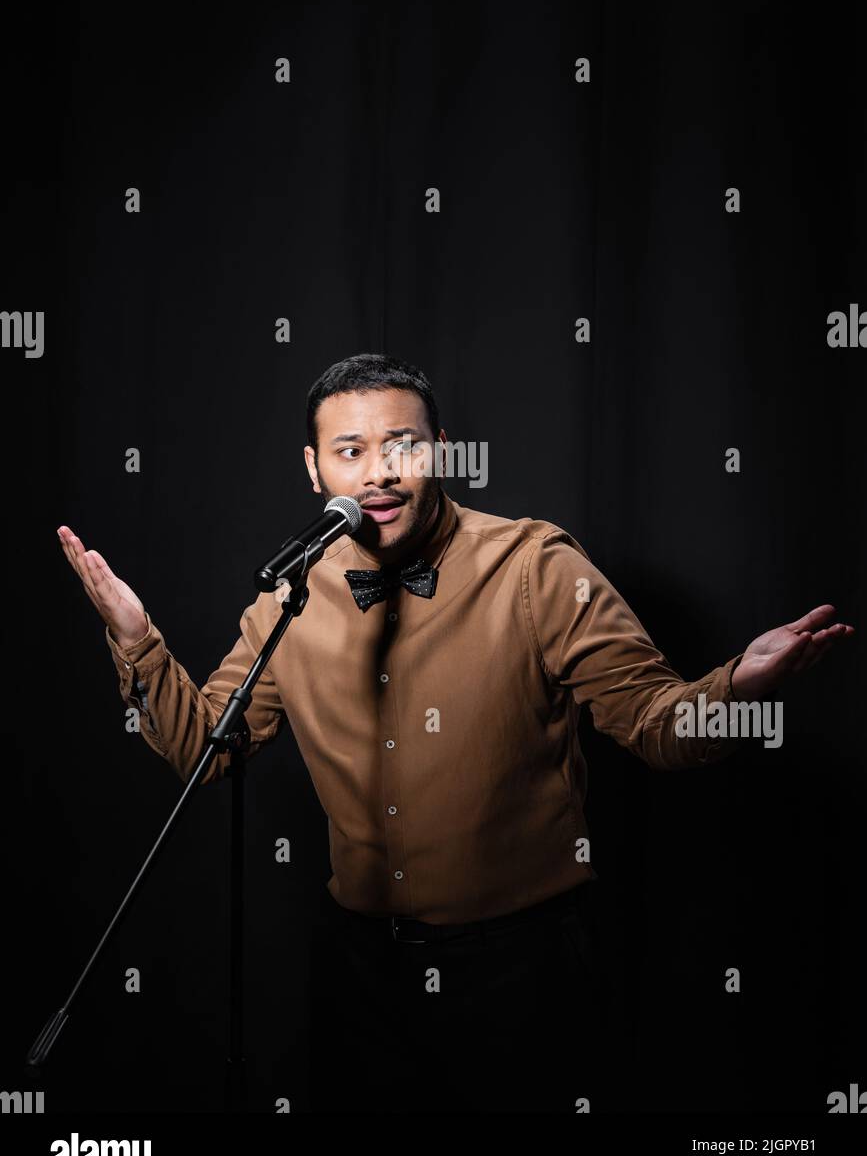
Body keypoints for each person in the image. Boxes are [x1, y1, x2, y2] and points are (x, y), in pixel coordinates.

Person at [57, 352, 854, 1113]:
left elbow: (653, 727)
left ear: (441, 451)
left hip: (522, 969)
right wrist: (137, 640)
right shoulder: (288, 601)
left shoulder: (535, 566)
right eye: (350, 450)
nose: (378, 472)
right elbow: (205, 752)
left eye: (402, 445)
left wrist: (736, 688)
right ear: (313, 470)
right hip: (358, 970)